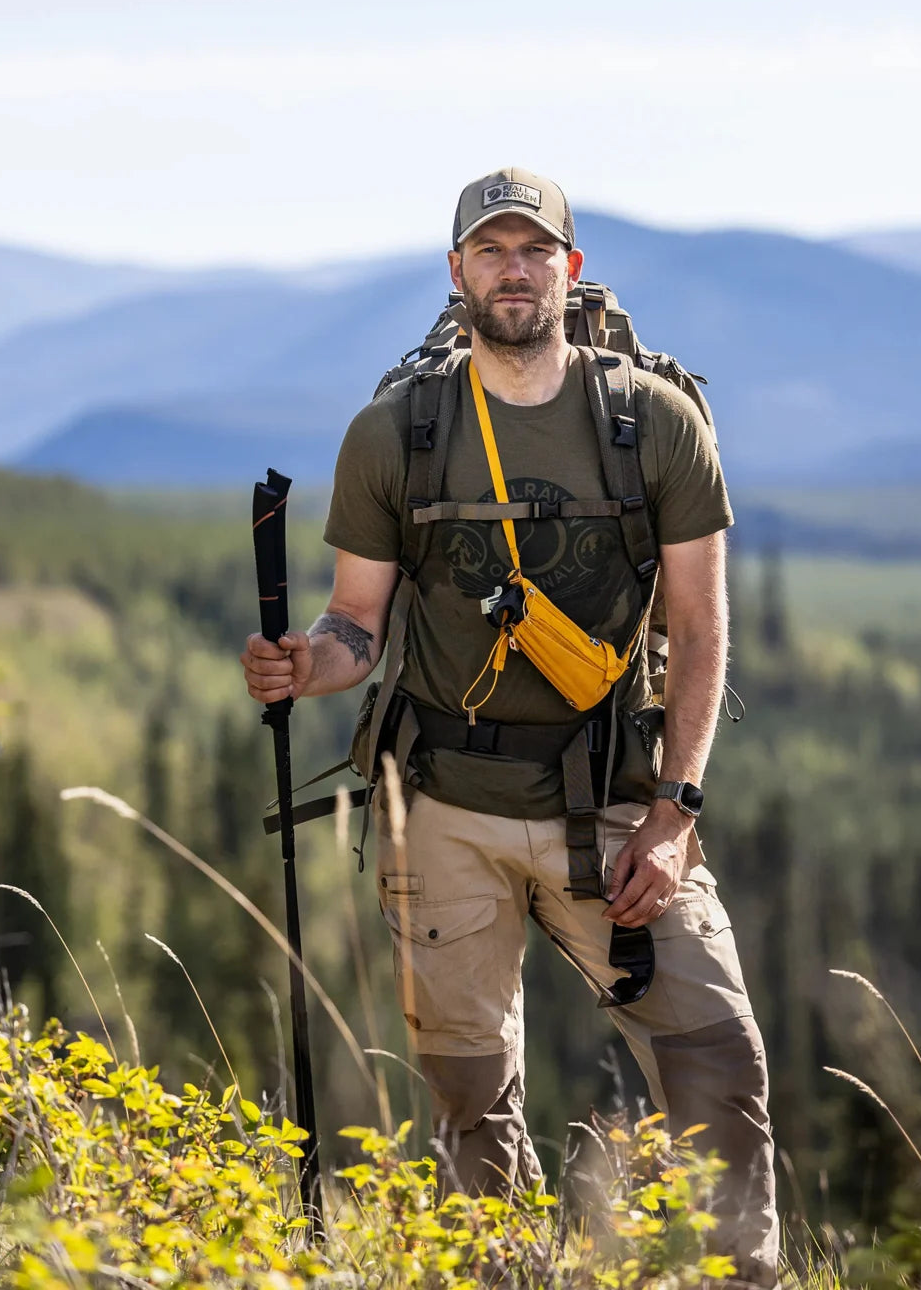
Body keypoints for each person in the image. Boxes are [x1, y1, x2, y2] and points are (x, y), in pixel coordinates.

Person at [241, 168, 779, 1285]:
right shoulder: (396, 433)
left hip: (620, 798)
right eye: (490, 250)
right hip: (443, 806)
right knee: (468, 1109)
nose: (514, 269)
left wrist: (675, 812)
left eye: (534, 249)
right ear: (457, 273)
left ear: (570, 270)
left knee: (719, 1064)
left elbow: (700, 629)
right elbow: (355, 624)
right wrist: (305, 667)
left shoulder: (655, 424)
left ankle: (743, 1275)